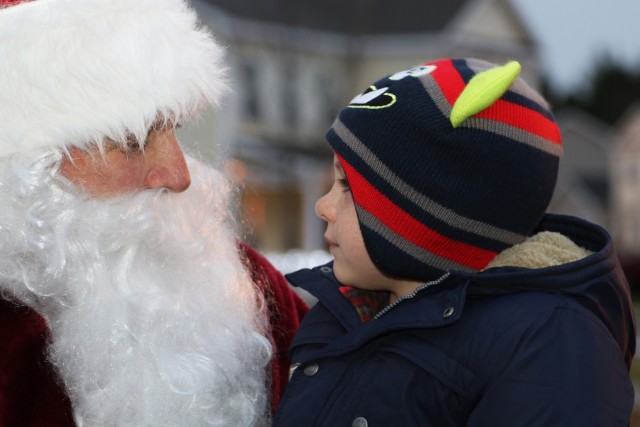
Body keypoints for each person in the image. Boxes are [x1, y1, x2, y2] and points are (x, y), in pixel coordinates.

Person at [273, 58, 636, 426]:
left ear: (428, 214)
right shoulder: (342, 314)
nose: (323, 206)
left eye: (347, 184)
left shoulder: (549, 345)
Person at [0, 0, 308, 426]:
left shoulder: (248, 286)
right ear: (27, 167)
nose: (180, 176)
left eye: (173, 128)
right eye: (133, 141)